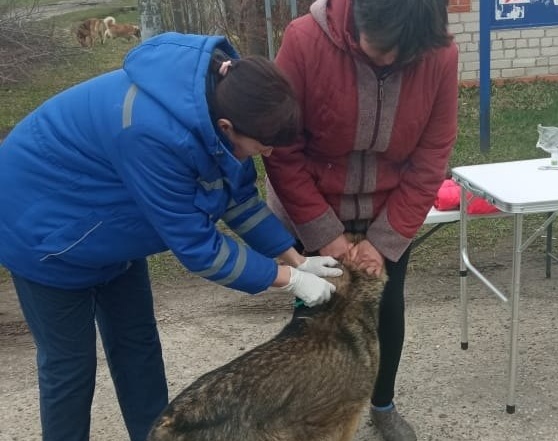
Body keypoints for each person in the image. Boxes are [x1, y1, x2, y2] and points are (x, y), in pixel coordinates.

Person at [0, 32, 342, 441]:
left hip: (109, 230)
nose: (267, 154)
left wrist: (295, 258)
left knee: (138, 348)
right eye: (263, 146)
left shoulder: (223, 101)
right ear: (226, 127)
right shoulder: (150, 132)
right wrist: (289, 280)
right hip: (44, 234)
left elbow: (239, 199)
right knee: (69, 367)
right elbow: (199, 249)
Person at [263, 0, 459, 439]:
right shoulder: (303, 40)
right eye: (378, 48)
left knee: (386, 309)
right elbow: (283, 149)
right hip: (313, 204)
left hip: (387, 211)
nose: (387, 61)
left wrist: (384, 240)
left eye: (399, 53)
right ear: (358, 20)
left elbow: (432, 155)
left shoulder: (440, 53)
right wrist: (324, 233)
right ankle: (312, 418)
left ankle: (382, 404)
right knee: (314, 317)